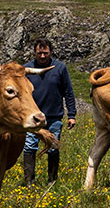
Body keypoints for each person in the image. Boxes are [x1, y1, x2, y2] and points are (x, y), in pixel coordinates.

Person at [22, 38, 77, 186]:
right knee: (29, 147)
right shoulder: (25, 69)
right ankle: (29, 183)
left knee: (52, 148)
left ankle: (51, 181)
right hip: (32, 118)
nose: (42, 56)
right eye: (39, 53)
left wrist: (71, 115)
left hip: (53, 117)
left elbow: (68, 92)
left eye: (45, 53)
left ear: (50, 52)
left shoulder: (60, 68)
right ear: (34, 52)